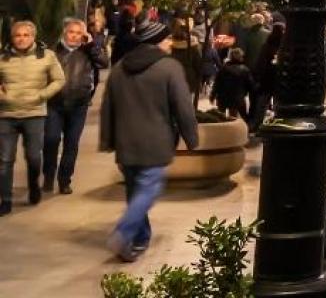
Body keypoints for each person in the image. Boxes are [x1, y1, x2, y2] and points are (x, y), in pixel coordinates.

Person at [97, 20, 198, 258]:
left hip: (126, 142)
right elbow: (183, 107)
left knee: (135, 192)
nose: (171, 42)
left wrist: (108, 140)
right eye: (167, 38)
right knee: (147, 191)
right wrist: (191, 138)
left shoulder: (120, 67)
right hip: (156, 142)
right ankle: (123, 233)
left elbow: (107, 106)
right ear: (157, 41)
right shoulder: (170, 68)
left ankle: (139, 239)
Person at [0, 20, 66, 213]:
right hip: (6, 114)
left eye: (25, 35)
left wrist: (41, 96)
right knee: (4, 160)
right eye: (17, 36)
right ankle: (6, 199)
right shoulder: (3, 57)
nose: (21, 39)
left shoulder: (46, 56)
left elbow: (59, 80)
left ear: (33, 37)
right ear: (12, 38)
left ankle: (34, 186)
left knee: (34, 157)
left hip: (34, 114)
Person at [45, 17, 106, 195]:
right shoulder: (53, 51)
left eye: (79, 33)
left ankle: (64, 180)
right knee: (51, 139)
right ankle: (48, 175)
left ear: (84, 35)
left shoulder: (88, 51)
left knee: (71, 144)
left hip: (79, 105)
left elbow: (104, 62)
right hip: (54, 104)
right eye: (71, 32)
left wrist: (91, 45)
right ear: (65, 33)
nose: (74, 36)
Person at [211, 46, 254, 123]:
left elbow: (217, 83)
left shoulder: (223, 68)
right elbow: (250, 85)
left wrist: (212, 95)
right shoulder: (245, 69)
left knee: (221, 117)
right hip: (238, 98)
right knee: (234, 118)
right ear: (241, 57)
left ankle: (221, 130)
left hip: (222, 98)